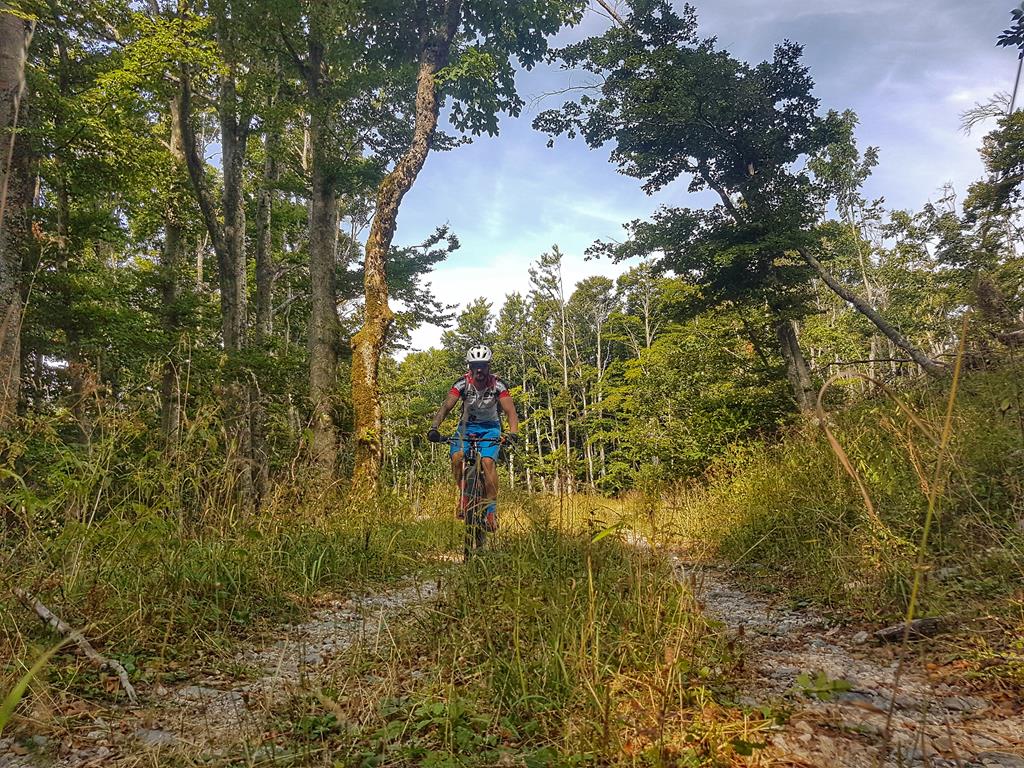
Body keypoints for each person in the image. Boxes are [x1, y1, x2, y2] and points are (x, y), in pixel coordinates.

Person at [427, 344, 519, 532]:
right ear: (469, 367)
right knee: (457, 457)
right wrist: (434, 427)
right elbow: (446, 407)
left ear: (488, 367)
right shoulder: (462, 384)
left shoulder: (498, 385)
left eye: (483, 365)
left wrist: (513, 433)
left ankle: (491, 512)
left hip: (490, 428)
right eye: (475, 365)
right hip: (465, 427)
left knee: (487, 462)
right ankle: (464, 495)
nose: (479, 370)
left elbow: (511, 412)